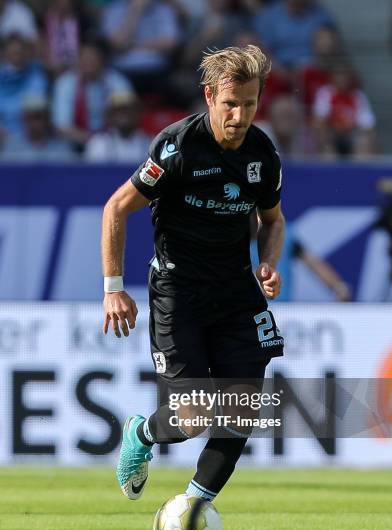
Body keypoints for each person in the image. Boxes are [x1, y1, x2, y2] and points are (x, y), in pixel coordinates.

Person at [101, 45, 285, 503]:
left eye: (249, 104)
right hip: (178, 292)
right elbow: (116, 208)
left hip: (237, 294)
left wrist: (268, 263)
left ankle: (191, 509)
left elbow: (273, 220)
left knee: (242, 409)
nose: (240, 115)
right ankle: (142, 435)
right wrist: (113, 289)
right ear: (209, 96)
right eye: (230, 104)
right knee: (192, 417)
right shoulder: (176, 147)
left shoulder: (262, 154)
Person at [52, 36, 133, 148]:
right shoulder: (65, 83)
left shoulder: (118, 82)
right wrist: (93, 142)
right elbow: (62, 126)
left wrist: (102, 144)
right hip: (74, 144)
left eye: (93, 59)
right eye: (85, 59)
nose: (88, 64)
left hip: (113, 143)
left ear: (102, 60)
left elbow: (127, 118)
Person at [1, 94, 76, 161]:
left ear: (47, 119)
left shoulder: (61, 146)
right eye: (29, 117)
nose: (34, 123)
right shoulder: (12, 145)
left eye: (38, 117)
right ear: (23, 119)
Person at [84, 90, 149, 162]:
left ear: (138, 114)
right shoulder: (98, 144)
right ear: (109, 116)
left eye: (127, 110)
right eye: (118, 111)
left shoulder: (150, 144)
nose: (123, 115)